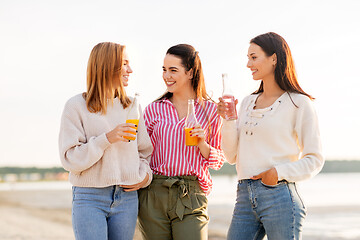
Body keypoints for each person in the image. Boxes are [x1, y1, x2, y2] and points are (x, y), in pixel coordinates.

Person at [218, 32, 324, 240]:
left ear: (274, 58)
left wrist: (277, 172)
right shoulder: (247, 102)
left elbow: (315, 159)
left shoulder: (299, 103)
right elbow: (231, 156)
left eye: (254, 57)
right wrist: (228, 120)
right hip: (244, 197)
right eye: (248, 58)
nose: (248, 64)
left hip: (280, 196)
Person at [58, 42, 153, 240]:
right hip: (89, 197)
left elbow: (144, 152)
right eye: (124, 64)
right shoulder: (76, 106)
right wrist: (106, 139)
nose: (130, 70)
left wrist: (144, 177)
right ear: (107, 66)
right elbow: (70, 159)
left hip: (127, 199)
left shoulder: (132, 106)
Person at [138, 44, 226, 240]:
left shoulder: (211, 112)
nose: (166, 76)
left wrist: (202, 144)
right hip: (153, 194)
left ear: (190, 73)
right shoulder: (153, 110)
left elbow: (218, 161)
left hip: (191, 194)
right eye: (164, 69)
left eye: (173, 70)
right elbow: (141, 153)